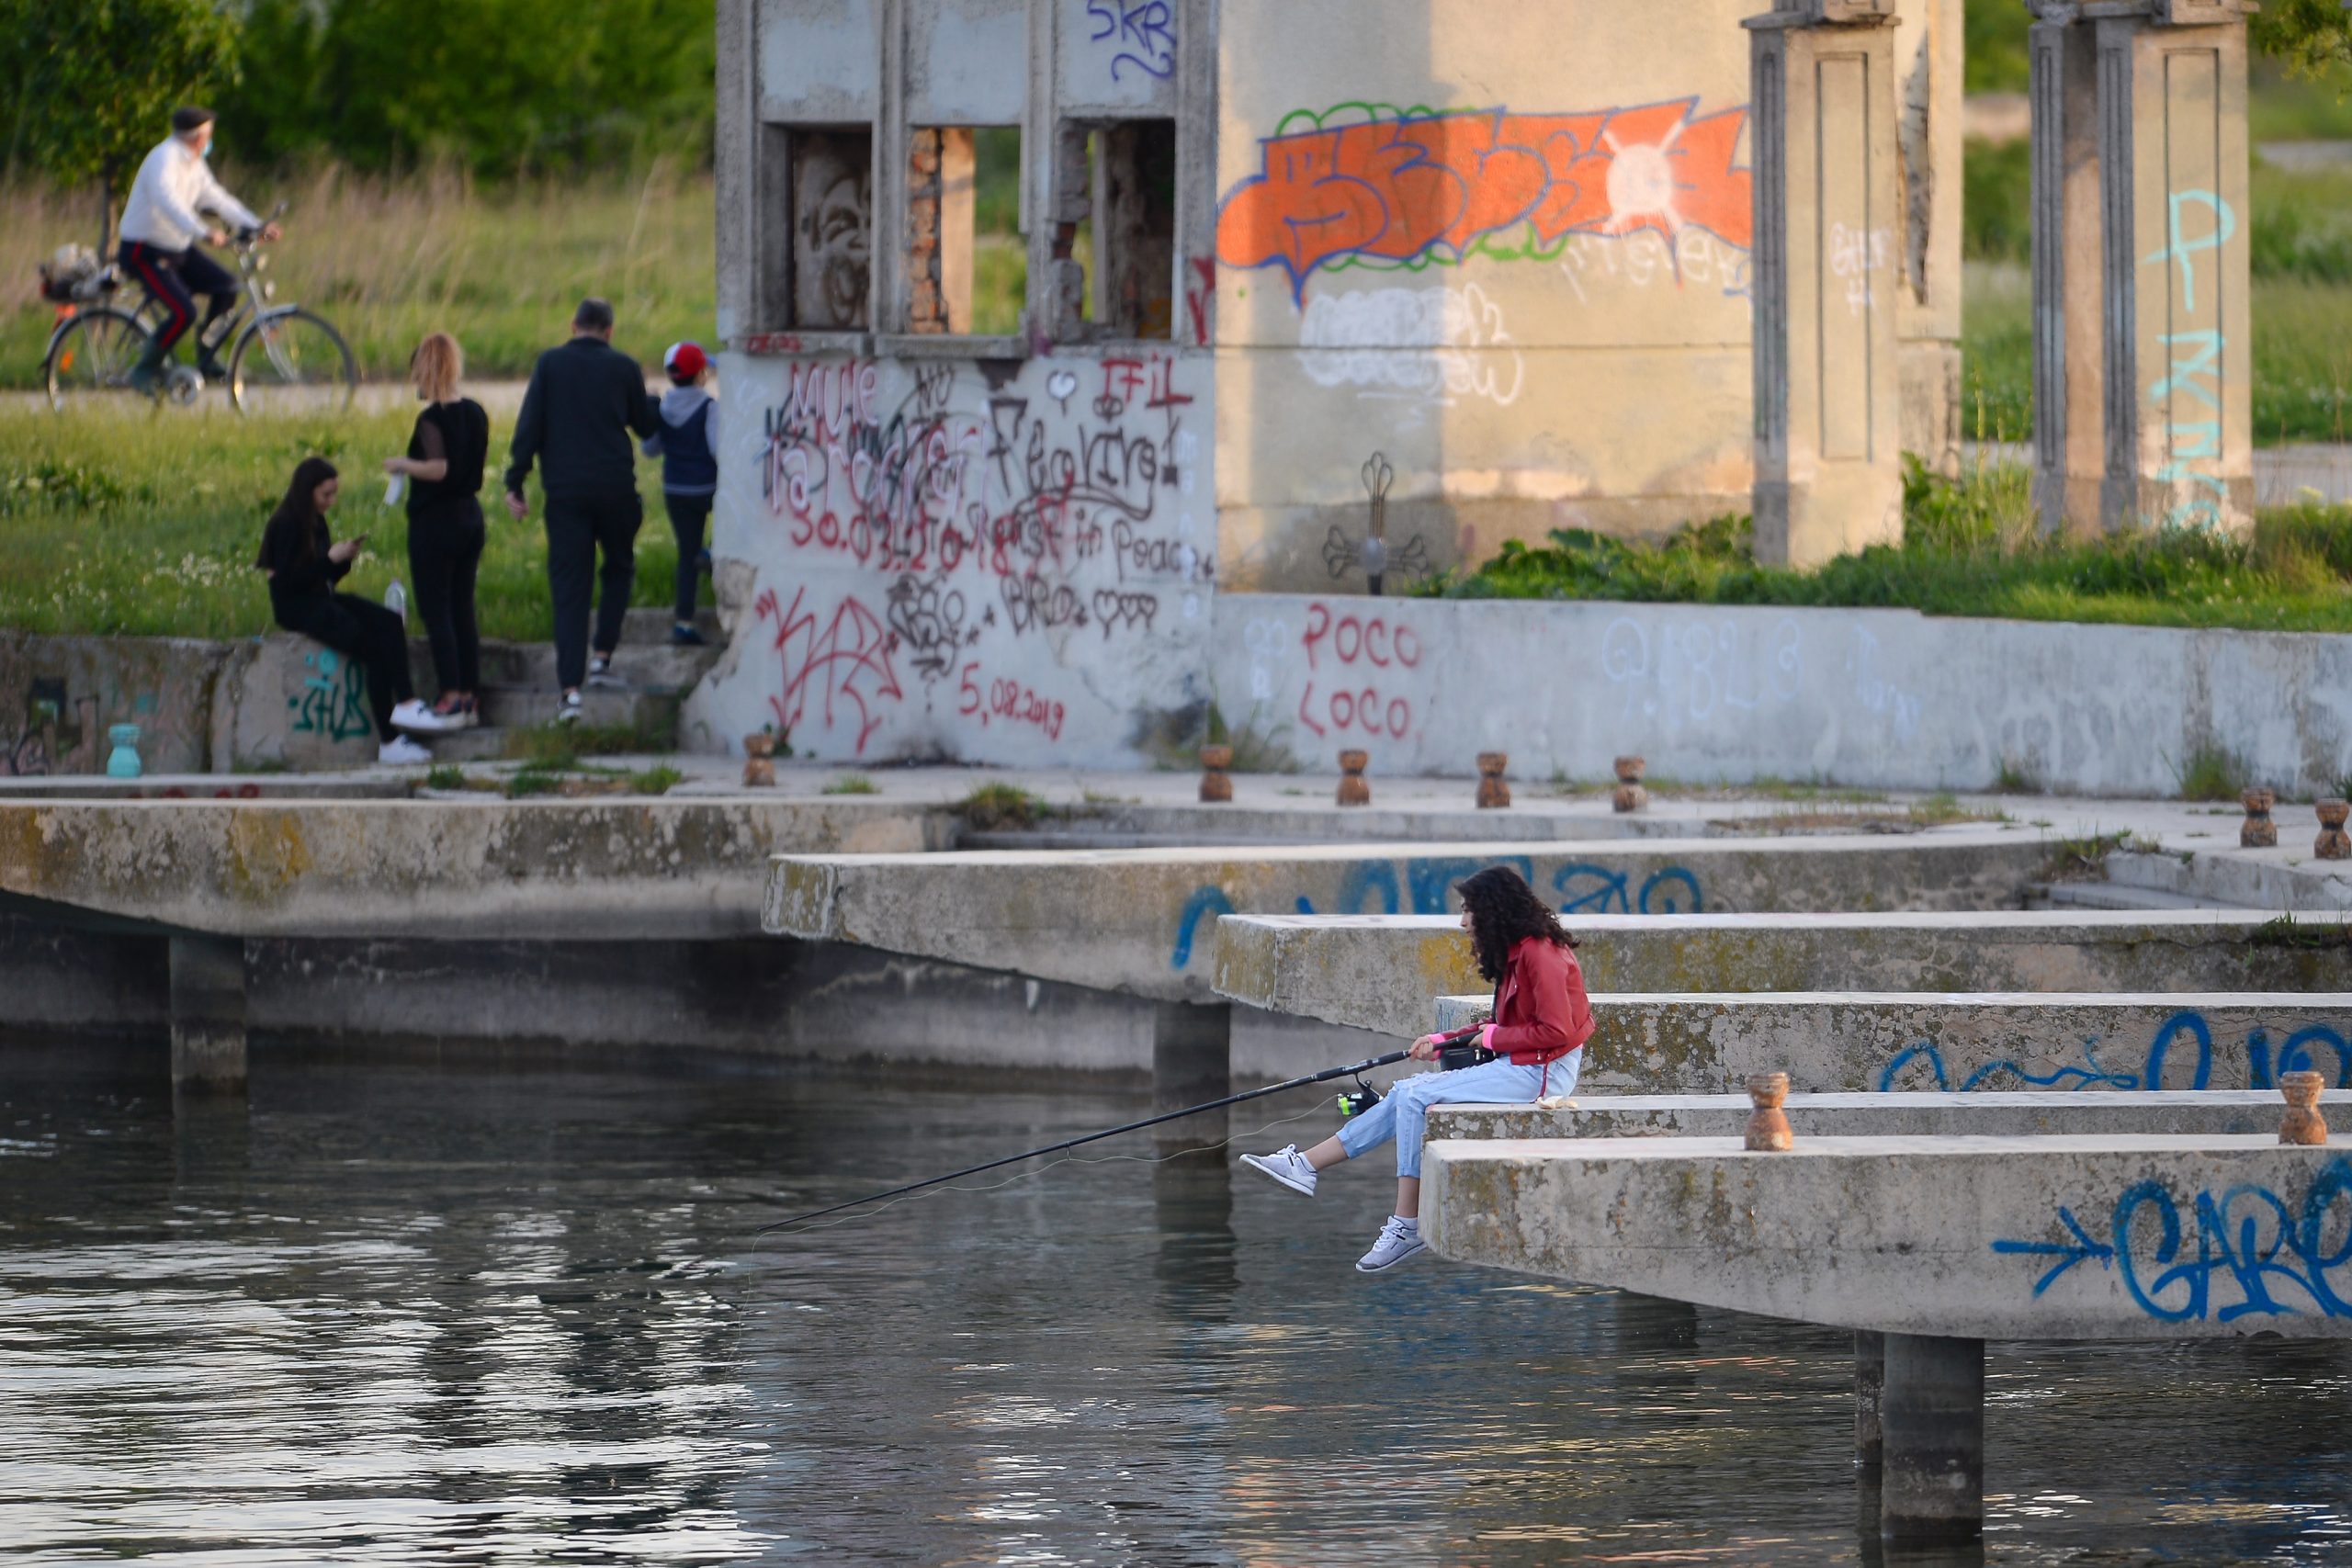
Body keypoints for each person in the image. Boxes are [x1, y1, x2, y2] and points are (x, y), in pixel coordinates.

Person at [1240, 865, 1595, 1273]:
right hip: (1523, 1064)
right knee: (1404, 1091)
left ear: (1493, 910)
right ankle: (1304, 1166)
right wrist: (1441, 1040)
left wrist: (1495, 1040)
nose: (1462, 922)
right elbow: (1500, 1023)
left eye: (1468, 911)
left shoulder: (1540, 954)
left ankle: (1406, 1224)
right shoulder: (1518, 952)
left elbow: (1556, 1030)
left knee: (1413, 1094)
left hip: (1544, 1074)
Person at [503, 298, 659, 724]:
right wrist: (656, 404)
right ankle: (602, 658)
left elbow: (530, 424)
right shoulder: (624, 366)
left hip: (566, 493)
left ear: (573, 326)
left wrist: (515, 480)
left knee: (570, 587)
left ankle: (570, 691)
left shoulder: (549, 365)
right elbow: (644, 426)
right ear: (609, 330)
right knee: (619, 567)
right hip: (615, 488)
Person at [255, 457, 452, 765]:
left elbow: (325, 576)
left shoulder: (315, 522)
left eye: (334, 494)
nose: (331, 501)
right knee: (373, 650)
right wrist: (328, 561)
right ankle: (389, 740)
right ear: (307, 492)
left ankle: (407, 702)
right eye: (326, 495)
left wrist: (343, 560)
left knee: (389, 622)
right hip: (298, 608)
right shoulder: (285, 524)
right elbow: (286, 586)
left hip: (321, 597)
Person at [118, 106, 279, 396]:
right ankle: (143, 369)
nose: (210, 140)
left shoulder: (194, 164)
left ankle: (206, 356)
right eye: (209, 135)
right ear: (199, 137)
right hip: (144, 251)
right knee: (184, 311)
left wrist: (257, 225)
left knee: (227, 286)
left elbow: (219, 200)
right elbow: (169, 203)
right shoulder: (163, 159)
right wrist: (204, 231)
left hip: (176, 248)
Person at [384, 333, 490, 727]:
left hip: (436, 521)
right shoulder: (476, 411)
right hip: (470, 516)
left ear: (426, 371)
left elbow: (438, 467)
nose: (416, 383)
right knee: (463, 608)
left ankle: (449, 693)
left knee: (436, 609)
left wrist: (402, 464)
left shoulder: (431, 419)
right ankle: (470, 696)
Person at [641, 341, 718, 647]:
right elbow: (717, 448)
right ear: (701, 374)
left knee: (686, 554)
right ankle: (712, 558)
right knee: (725, 536)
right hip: (708, 488)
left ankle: (684, 622)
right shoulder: (709, 406)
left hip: (676, 490)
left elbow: (649, 449)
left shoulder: (661, 408)